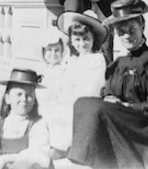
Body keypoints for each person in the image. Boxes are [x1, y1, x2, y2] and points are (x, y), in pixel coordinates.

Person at [68, 0, 148, 169]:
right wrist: (111, 100)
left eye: (131, 29)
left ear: (142, 26)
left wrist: (126, 105)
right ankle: (84, 160)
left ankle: (87, 160)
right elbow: (107, 94)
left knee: (95, 107)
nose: (127, 36)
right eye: (121, 31)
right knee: (82, 103)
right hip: (123, 122)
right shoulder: (117, 65)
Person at [45, 10, 108, 157]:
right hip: (67, 101)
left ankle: (62, 149)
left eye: (86, 39)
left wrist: (67, 100)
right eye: (77, 40)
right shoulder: (72, 61)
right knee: (48, 111)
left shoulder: (96, 60)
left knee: (64, 115)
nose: (82, 44)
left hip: (84, 104)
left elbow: (90, 89)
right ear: (72, 41)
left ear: (93, 39)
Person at [37, 26, 69, 105]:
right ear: (43, 51)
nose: (53, 54)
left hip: (57, 105)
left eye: (57, 50)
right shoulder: (40, 69)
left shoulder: (64, 69)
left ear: (62, 52)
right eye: (49, 50)